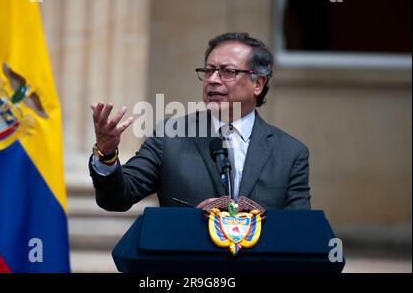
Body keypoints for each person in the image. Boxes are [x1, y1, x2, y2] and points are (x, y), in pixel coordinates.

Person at [89, 32, 311, 211]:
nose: (213, 80)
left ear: (258, 84)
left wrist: (256, 222)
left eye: (227, 72)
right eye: (209, 70)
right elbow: (117, 198)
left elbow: (300, 231)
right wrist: (107, 155)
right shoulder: (170, 136)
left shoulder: (290, 153)